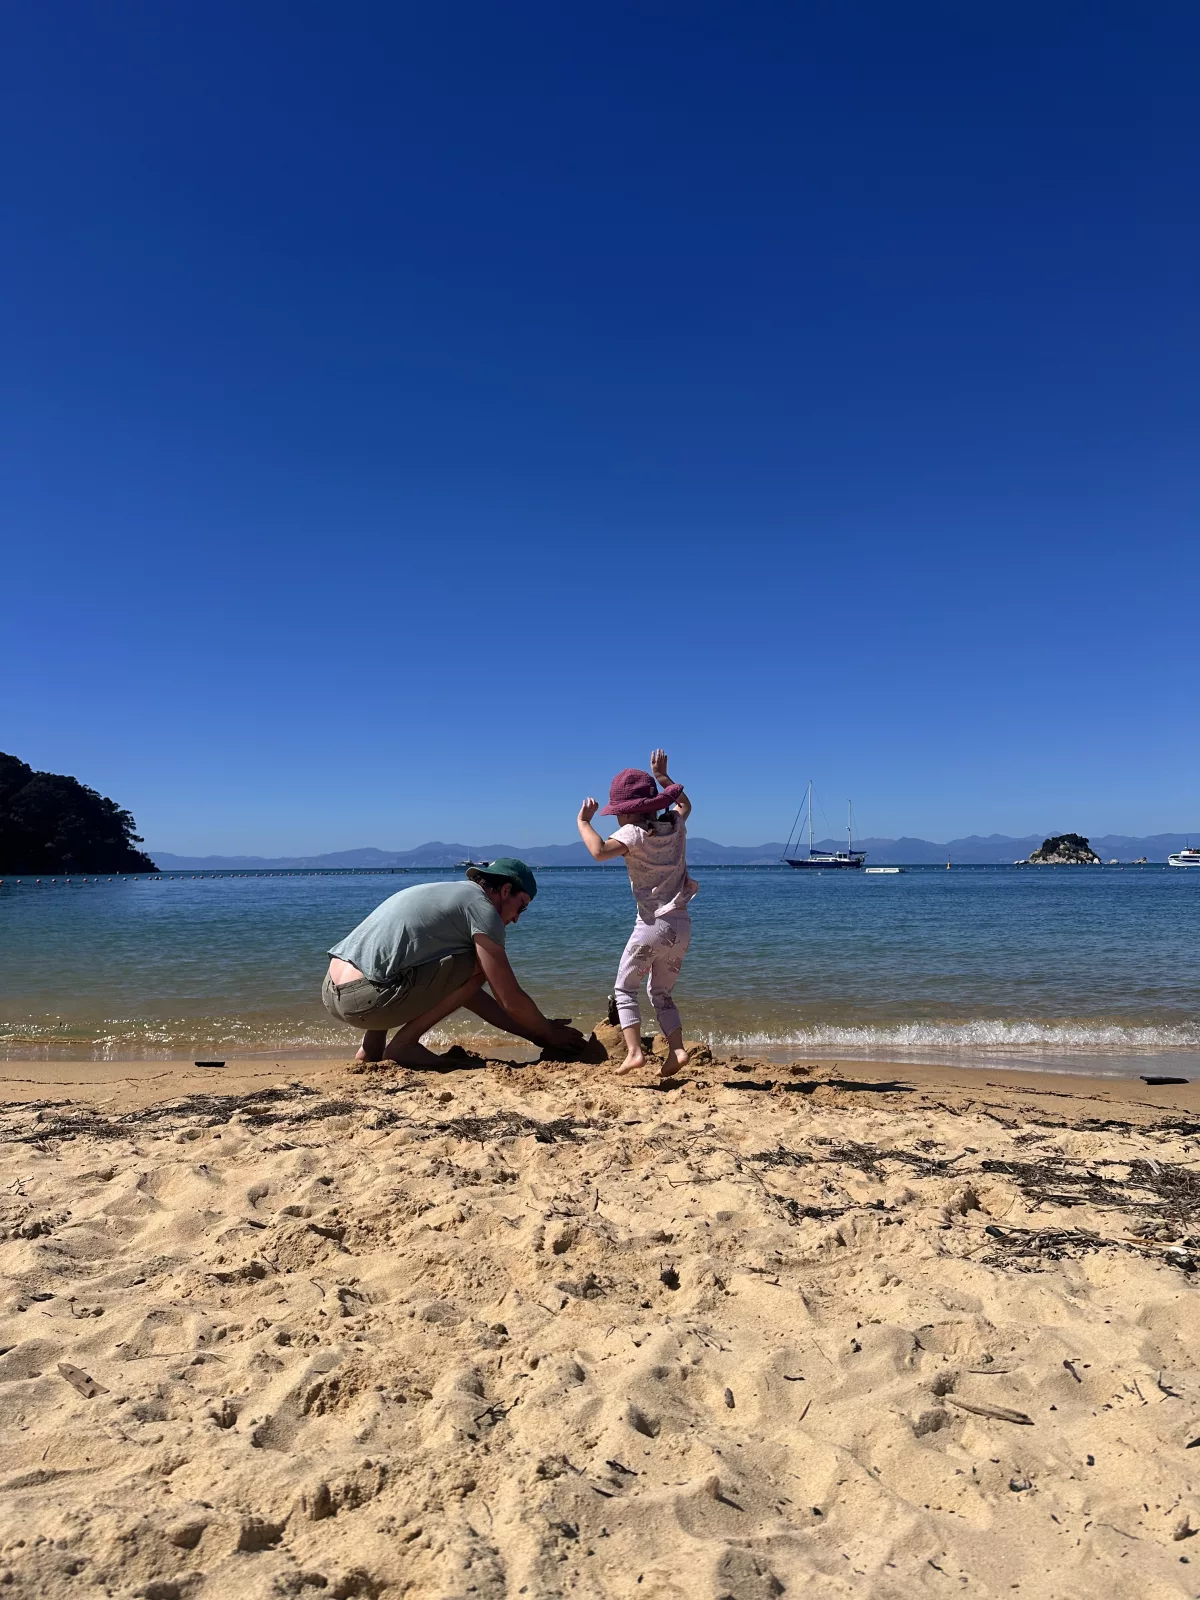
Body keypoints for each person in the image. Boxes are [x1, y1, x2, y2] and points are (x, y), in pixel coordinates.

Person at [322, 859, 584, 1067]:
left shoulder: (446, 893)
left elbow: (465, 996)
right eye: (521, 907)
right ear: (506, 890)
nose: (517, 919)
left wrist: (537, 1033)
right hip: (364, 1000)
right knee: (479, 964)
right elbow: (507, 997)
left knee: (404, 962)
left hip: (332, 990)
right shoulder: (483, 909)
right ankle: (404, 1046)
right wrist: (548, 1033)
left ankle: (370, 1049)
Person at [576, 750, 697, 1077]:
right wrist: (663, 778)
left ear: (625, 813)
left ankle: (633, 1052)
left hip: (652, 926)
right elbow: (684, 805)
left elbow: (599, 851)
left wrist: (583, 822)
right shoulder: (673, 825)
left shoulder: (633, 833)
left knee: (624, 987)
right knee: (661, 993)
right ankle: (678, 1051)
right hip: (681, 927)